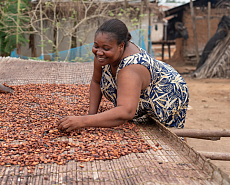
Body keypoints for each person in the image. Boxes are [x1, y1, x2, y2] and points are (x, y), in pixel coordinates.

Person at [58, 19, 189, 131]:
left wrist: (83, 121)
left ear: (121, 46)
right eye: (96, 46)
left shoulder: (131, 68)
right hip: (146, 80)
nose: (99, 52)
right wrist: (91, 116)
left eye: (106, 48)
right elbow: (96, 82)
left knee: (170, 136)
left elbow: (126, 112)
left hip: (167, 90)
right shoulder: (102, 54)